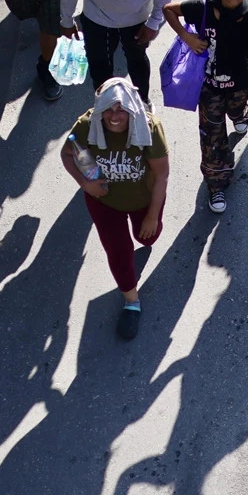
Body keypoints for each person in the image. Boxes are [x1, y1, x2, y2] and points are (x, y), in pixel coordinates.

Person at [163, 0, 248, 215]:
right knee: (213, 139)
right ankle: (216, 184)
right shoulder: (202, 7)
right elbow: (168, 10)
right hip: (208, 89)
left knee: (236, 112)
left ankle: (240, 114)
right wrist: (188, 37)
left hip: (239, 87)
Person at [61, 78, 170, 339]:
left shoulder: (150, 128)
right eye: (108, 109)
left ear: (132, 108)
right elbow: (68, 154)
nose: (113, 116)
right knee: (118, 251)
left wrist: (152, 217)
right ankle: (131, 302)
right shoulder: (87, 125)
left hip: (143, 199)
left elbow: (162, 175)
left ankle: (145, 233)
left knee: (148, 237)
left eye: (120, 109)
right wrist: (85, 184)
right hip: (105, 202)